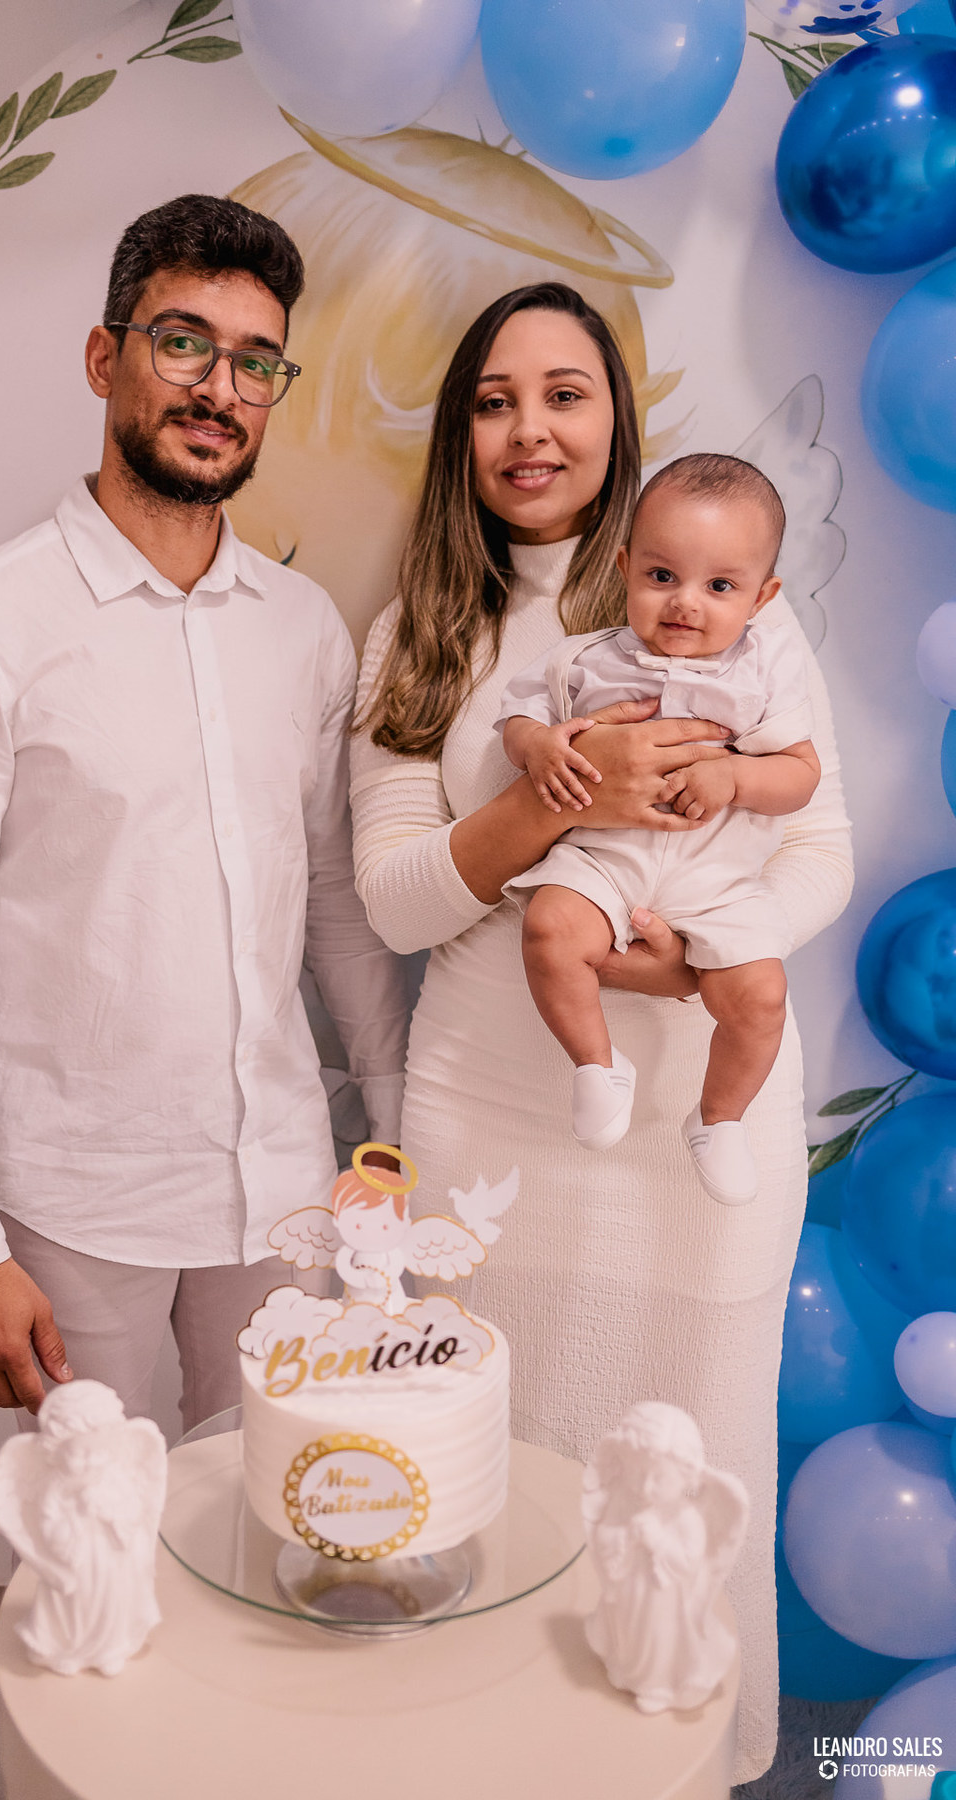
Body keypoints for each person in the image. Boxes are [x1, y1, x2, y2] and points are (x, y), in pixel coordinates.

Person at [350, 280, 852, 1784]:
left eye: (565, 392)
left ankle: (673, 1764)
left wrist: (690, 974)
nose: (530, 429)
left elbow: (820, 847)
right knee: (487, 1472)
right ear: (460, 436)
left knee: (678, 1474)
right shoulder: (420, 636)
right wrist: (562, 796)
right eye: (495, 400)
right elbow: (391, 906)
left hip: (698, 1126)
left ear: (616, 415)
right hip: (492, 1128)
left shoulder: (729, 605)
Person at [0, 193, 409, 1433]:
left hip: (281, 1184)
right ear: (106, 357)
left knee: (283, 1523)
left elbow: (330, 896)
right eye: (182, 343)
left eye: (255, 362)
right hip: (69, 1199)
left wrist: (392, 1121)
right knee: (92, 1550)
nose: (220, 386)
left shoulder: (303, 629)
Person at [498, 454, 820, 1204]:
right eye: (662, 576)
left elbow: (800, 776)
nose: (685, 604)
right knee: (549, 929)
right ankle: (596, 1063)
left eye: (720, 587)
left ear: (762, 596)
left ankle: (719, 1119)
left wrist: (737, 775)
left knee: (761, 996)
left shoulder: (766, 672)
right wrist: (538, 746)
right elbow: (518, 720)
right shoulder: (585, 658)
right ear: (625, 567)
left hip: (715, 877)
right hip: (605, 858)